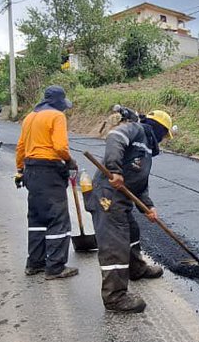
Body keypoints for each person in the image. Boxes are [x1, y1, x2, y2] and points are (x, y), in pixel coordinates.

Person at [87, 106, 174, 313]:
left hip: (122, 199)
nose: (163, 140)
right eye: (164, 135)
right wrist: (115, 170)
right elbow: (114, 137)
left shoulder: (146, 150)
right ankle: (115, 297)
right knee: (115, 244)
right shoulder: (136, 130)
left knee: (132, 231)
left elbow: (140, 182)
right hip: (108, 196)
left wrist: (148, 207)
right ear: (160, 130)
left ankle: (137, 268)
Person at [14, 85, 78, 280]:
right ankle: (56, 267)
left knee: (37, 219)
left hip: (31, 171)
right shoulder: (57, 116)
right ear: (58, 102)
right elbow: (60, 147)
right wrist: (69, 161)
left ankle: (35, 263)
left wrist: (20, 170)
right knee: (57, 218)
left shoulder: (30, 117)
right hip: (49, 171)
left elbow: (21, 147)